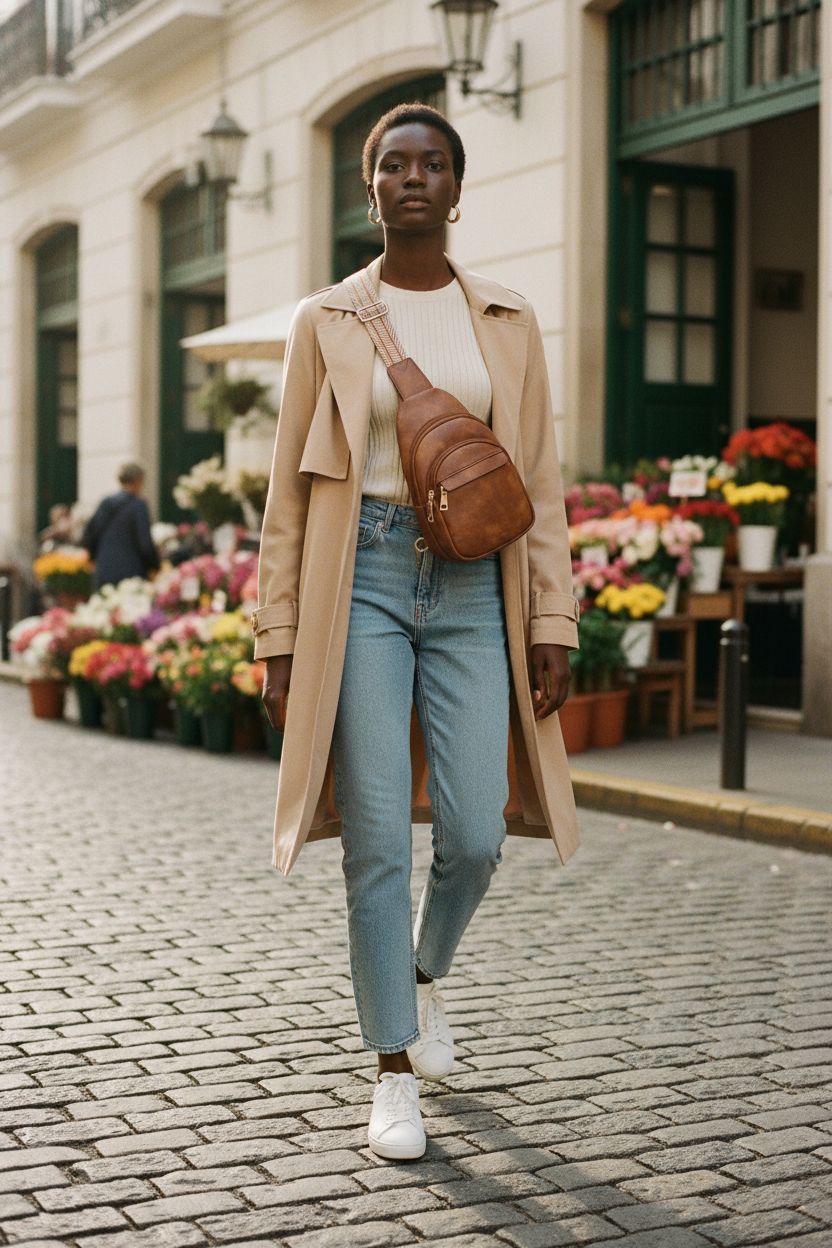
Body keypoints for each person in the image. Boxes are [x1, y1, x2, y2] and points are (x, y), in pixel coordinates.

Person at [253, 103, 581, 1162]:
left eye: (430, 164)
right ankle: (392, 1067)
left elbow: (536, 479)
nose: (411, 178)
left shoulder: (509, 319)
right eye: (392, 164)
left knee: (479, 831)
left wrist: (554, 616)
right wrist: (279, 634)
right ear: (370, 187)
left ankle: (424, 975)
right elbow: (288, 500)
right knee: (380, 840)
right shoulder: (328, 320)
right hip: (367, 579)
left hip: (479, 587)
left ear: (455, 186)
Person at [82, 462, 160, 590]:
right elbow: (145, 543)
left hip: (105, 569)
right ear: (138, 480)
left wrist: (93, 558)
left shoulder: (105, 503)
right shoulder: (138, 506)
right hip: (132, 572)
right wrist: (155, 566)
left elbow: (90, 534)